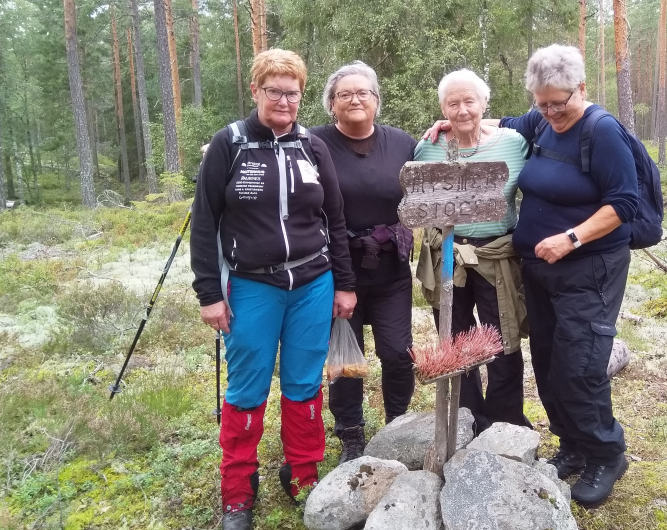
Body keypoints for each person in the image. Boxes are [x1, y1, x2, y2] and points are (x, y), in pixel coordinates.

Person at [425, 44, 637, 508]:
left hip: (589, 267)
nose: (550, 112)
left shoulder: (601, 132)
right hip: (539, 271)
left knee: (579, 363)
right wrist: (454, 122)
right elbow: (490, 124)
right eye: (542, 104)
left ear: (581, 88)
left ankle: (606, 452)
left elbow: (625, 203)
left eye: (560, 102)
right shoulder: (540, 122)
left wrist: (572, 239)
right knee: (545, 357)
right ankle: (572, 443)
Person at [190, 49, 356, 530]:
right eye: (274, 91)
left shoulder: (312, 146)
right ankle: (238, 492)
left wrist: (344, 284)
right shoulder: (230, 144)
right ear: (256, 91)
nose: (284, 100)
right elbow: (205, 224)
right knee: (247, 387)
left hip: (312, 282)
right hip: (250, 284)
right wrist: (208, 294)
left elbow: (336, 220)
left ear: (302, 96)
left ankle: (301, 472)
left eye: (292, 92)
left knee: (304, 382)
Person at [309, 61, 417, 463]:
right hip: (337, 269)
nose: (355, 99)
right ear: (332, 105)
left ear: (376, 101)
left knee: (397, 351)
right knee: (345, 356)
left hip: (390, 268)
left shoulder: (403, 142)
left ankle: (397, 423)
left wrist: (446, 127)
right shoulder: (313, 143)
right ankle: (350, 433)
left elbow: (436, 161)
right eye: (344, 94)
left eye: (363, 93)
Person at [414, 69, 532, 435]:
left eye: (470, 101)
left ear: (484, 103)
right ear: (442, 108)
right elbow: (418, 198)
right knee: (454, 338)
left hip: (497, 255)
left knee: (503, 338)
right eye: (453, 103)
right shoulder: (429, 146)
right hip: (448, 254)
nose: (462, 110)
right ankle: (467, 418)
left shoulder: (514, 142)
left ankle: (504, 420)